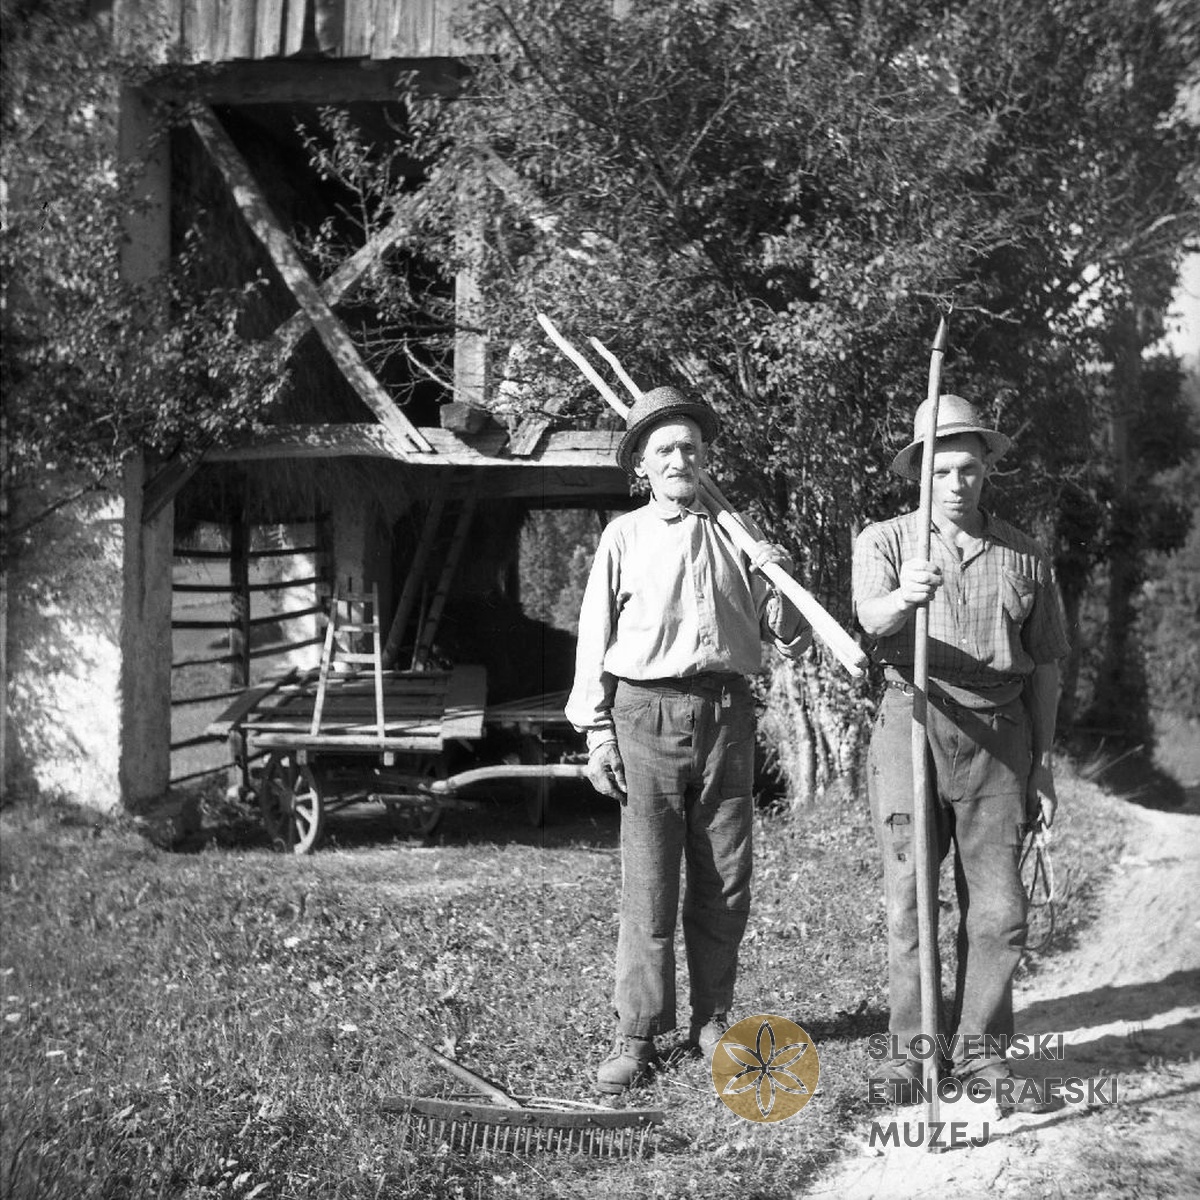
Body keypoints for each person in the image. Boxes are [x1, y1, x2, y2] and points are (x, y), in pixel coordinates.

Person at [565, 385, 812, 1093]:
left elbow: (789, 637)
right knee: (650, 881)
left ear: (705, 459)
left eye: (691, 447)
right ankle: (637, 1034)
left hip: (727, 716)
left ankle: (712, 1021)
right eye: (666, 449)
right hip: (646, 715)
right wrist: (597, 734)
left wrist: (779, 580)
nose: (680, 459)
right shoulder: (624, 537)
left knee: (724, 878)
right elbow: (594, 641)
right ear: (642, 466)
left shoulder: (739, 535)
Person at [852, 393, 1070, 1112]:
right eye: (940, 471)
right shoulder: (886, 542)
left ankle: (981, 1055)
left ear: (986, 471)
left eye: (967, 469)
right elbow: (870, 617)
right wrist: (904, 599)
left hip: (1001, 737)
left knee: (1001, 912)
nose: (955, 484)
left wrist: (1042, 764)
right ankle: (912, 1055)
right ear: (919, 473)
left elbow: (1045, 666)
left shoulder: (1024, 553)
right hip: (912, 720)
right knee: (910, 902)